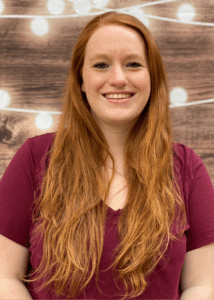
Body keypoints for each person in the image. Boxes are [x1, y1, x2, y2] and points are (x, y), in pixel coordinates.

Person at [0, 11, 214, 300]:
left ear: (152, 78)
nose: (118, 78)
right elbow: (5, 277)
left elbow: (202, 286)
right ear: (81, 81)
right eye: (101, 65)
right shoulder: (34, 158)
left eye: (133, 64)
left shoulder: (187, 168)